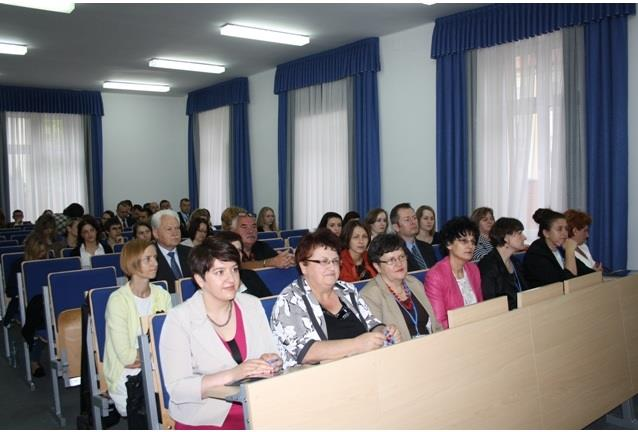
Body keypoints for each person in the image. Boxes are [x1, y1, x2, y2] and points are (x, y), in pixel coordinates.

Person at [159, 238, 282, 428]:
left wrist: (271, 361)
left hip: (257, 405)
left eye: (234, 269)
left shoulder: (251, 304)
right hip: (206, 415)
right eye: (220, 272)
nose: (231, 279)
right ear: (200, 280)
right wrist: (234, 374)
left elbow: (274, 354)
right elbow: (178, 389)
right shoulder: (180, 319)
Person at [270, 230, 400, 369]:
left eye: (335, 261)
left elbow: (371, 323)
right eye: (324, 261)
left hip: (363, 366)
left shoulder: (347, 290)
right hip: (315, 378)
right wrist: (357, 345)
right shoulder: (290, 300)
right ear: (303, 266)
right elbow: (305, 353)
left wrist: (383, 331)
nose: (332, 267)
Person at [103, 239, 172, 426]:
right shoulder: (117, 301)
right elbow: (126, 357)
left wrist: (149, 357)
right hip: (127, 376)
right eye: (147, 259)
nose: (155, 263)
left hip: (156, 369)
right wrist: (154, 356)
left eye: (155, 258)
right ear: (132, 264)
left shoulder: (162, 295)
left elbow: (169, 344)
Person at [360, 234, 443, 342]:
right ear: (377, 266)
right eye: (391, 260)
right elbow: (379, 340)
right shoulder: (369, 295)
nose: (399, 263)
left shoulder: (414, 283)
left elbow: (436, 325)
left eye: (401, 257)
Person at [424, 217, 483, 329]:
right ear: (448, 244)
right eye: (464, 241)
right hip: (453, 334)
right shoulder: (435, 276)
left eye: (473, 241)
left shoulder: (473, 269)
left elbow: (480, 306)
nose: (470, 246)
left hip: (476, 328)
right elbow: (439, 322)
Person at [523, 208, 592, 288]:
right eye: (559, 229)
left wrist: (596, 274)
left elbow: (587, 272)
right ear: (546, 233)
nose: (565, 233)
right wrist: (569, 251)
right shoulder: (536, 254)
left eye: (566, 229)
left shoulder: (559, 248)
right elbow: (567, 285)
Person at [478, 218, 528, 310]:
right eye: (519, 233)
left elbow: (526, 291)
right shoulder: (488, 265)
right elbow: (491, 302)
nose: (525, 237)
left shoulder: (515, 262)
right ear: (506, 238)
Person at [212, 231, 273, 298]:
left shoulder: (250, 275)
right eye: (231, 250)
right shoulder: (214, 282)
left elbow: (268, 301)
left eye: (239, 250)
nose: (236, 254)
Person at [151, 209, 192, 293]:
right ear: (155, 233)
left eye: (177, 228)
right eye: (169, 229)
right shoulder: (148, 258)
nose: (175, 233)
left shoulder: (191, 253)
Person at [390, 203, 436, 272]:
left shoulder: (427, 247)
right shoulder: (393, 251)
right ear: (396, 227)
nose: (413, 222)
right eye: (407, 220)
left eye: (414, 218)